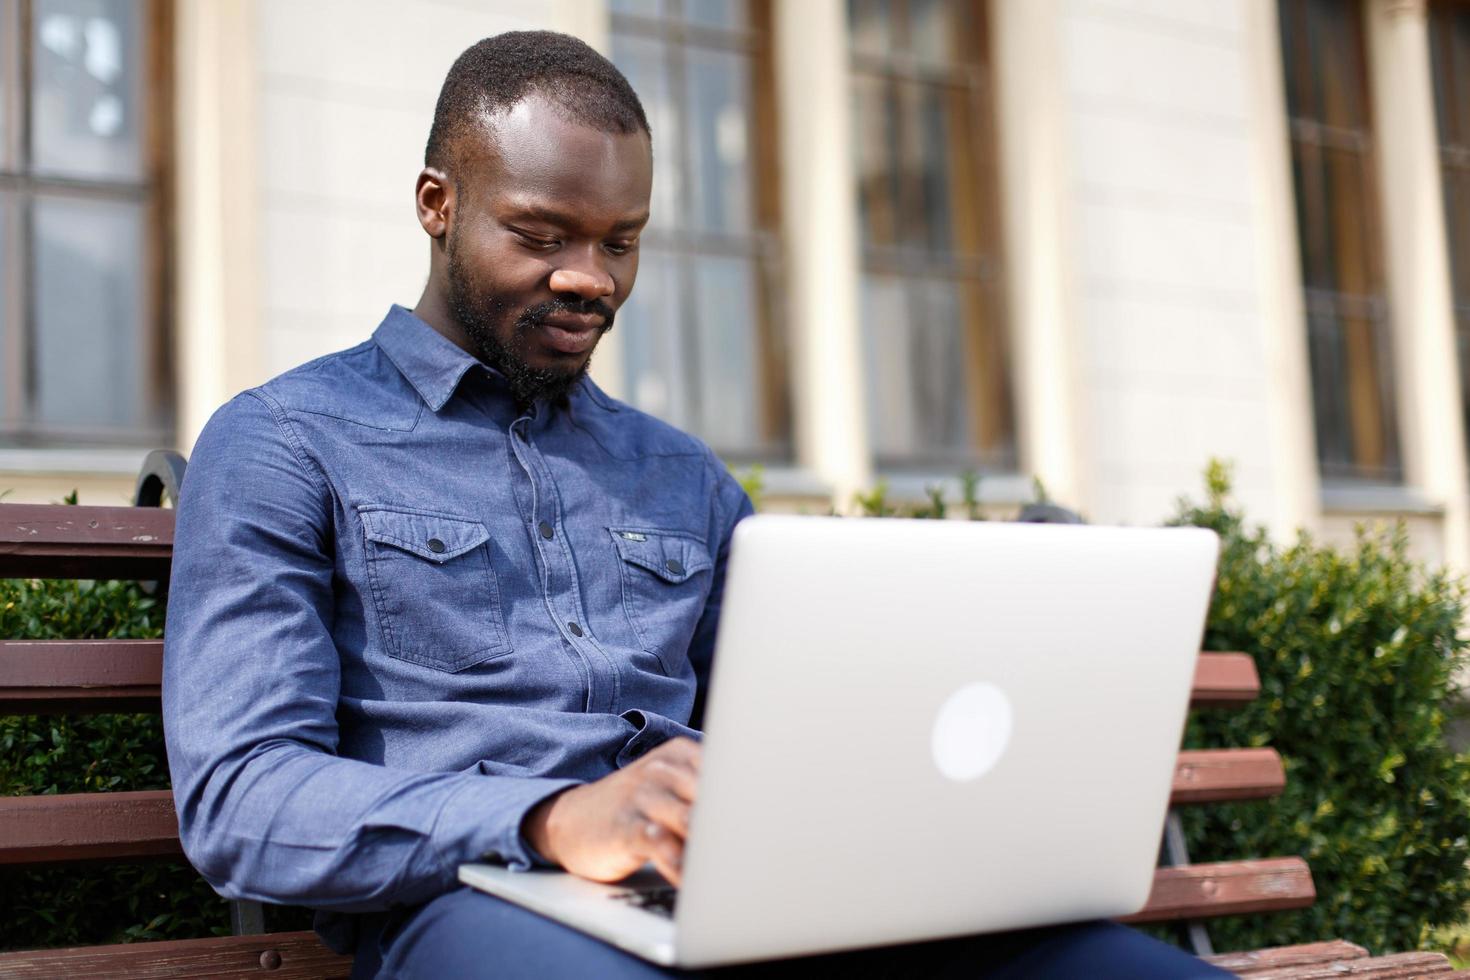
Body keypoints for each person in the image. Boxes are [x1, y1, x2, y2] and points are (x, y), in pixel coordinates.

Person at [163, 30, 1228, 979]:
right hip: (475, 911)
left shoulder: (680, 474)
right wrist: (552, 817)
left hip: (727, 898)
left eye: (619, 240)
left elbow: (808, 716)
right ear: (438, 204)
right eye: (542, 235)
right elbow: (242, 794)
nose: (590, 276)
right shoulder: (285, 441)